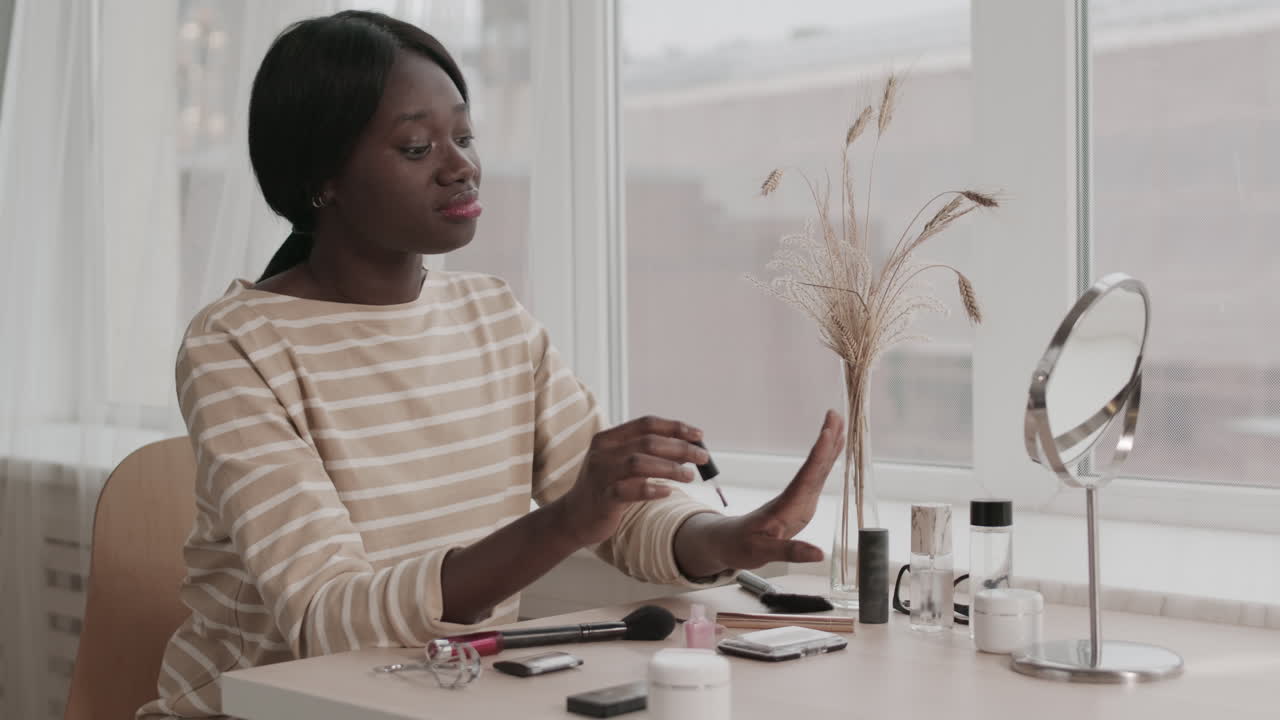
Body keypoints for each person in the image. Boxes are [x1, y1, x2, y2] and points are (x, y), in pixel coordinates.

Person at [139, 10, 843, 718]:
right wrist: (566, 522)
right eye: (417, 147)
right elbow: (330, 618)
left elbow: (622, 520)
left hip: (440, 701)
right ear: (323, 179)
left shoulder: (495, 318)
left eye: (465, 136)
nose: (460, 165)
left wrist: (735, 536)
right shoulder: (237, 345)